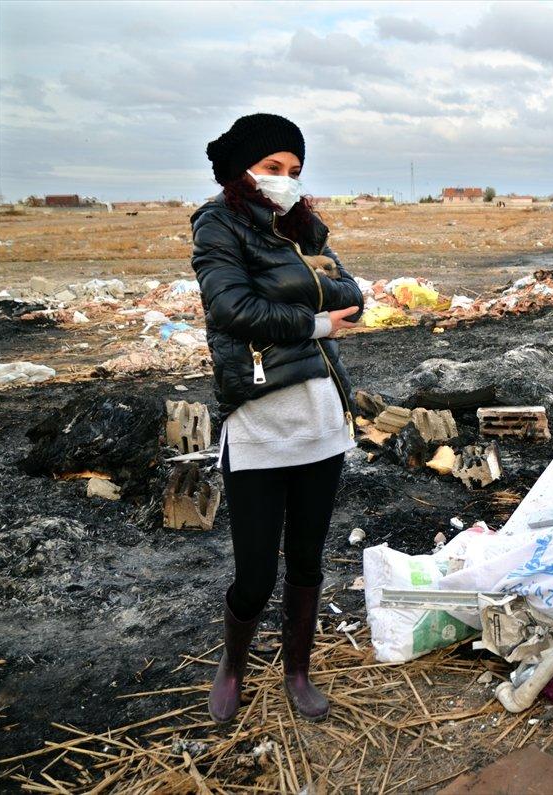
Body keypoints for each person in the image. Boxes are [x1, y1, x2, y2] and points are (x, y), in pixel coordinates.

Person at [191, 113, 364, 724]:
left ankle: (297, 670)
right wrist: (314, 313)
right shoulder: (217, 224)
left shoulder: (302, 226)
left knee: (310, 560)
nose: (285, 181)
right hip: (261, 426)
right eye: (272, 169)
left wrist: (295, 294)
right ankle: (233, 667)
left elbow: (354, 297)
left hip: (321, 422)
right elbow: (231, 308)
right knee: (256, 571)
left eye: (294, 171)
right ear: (243, 169)